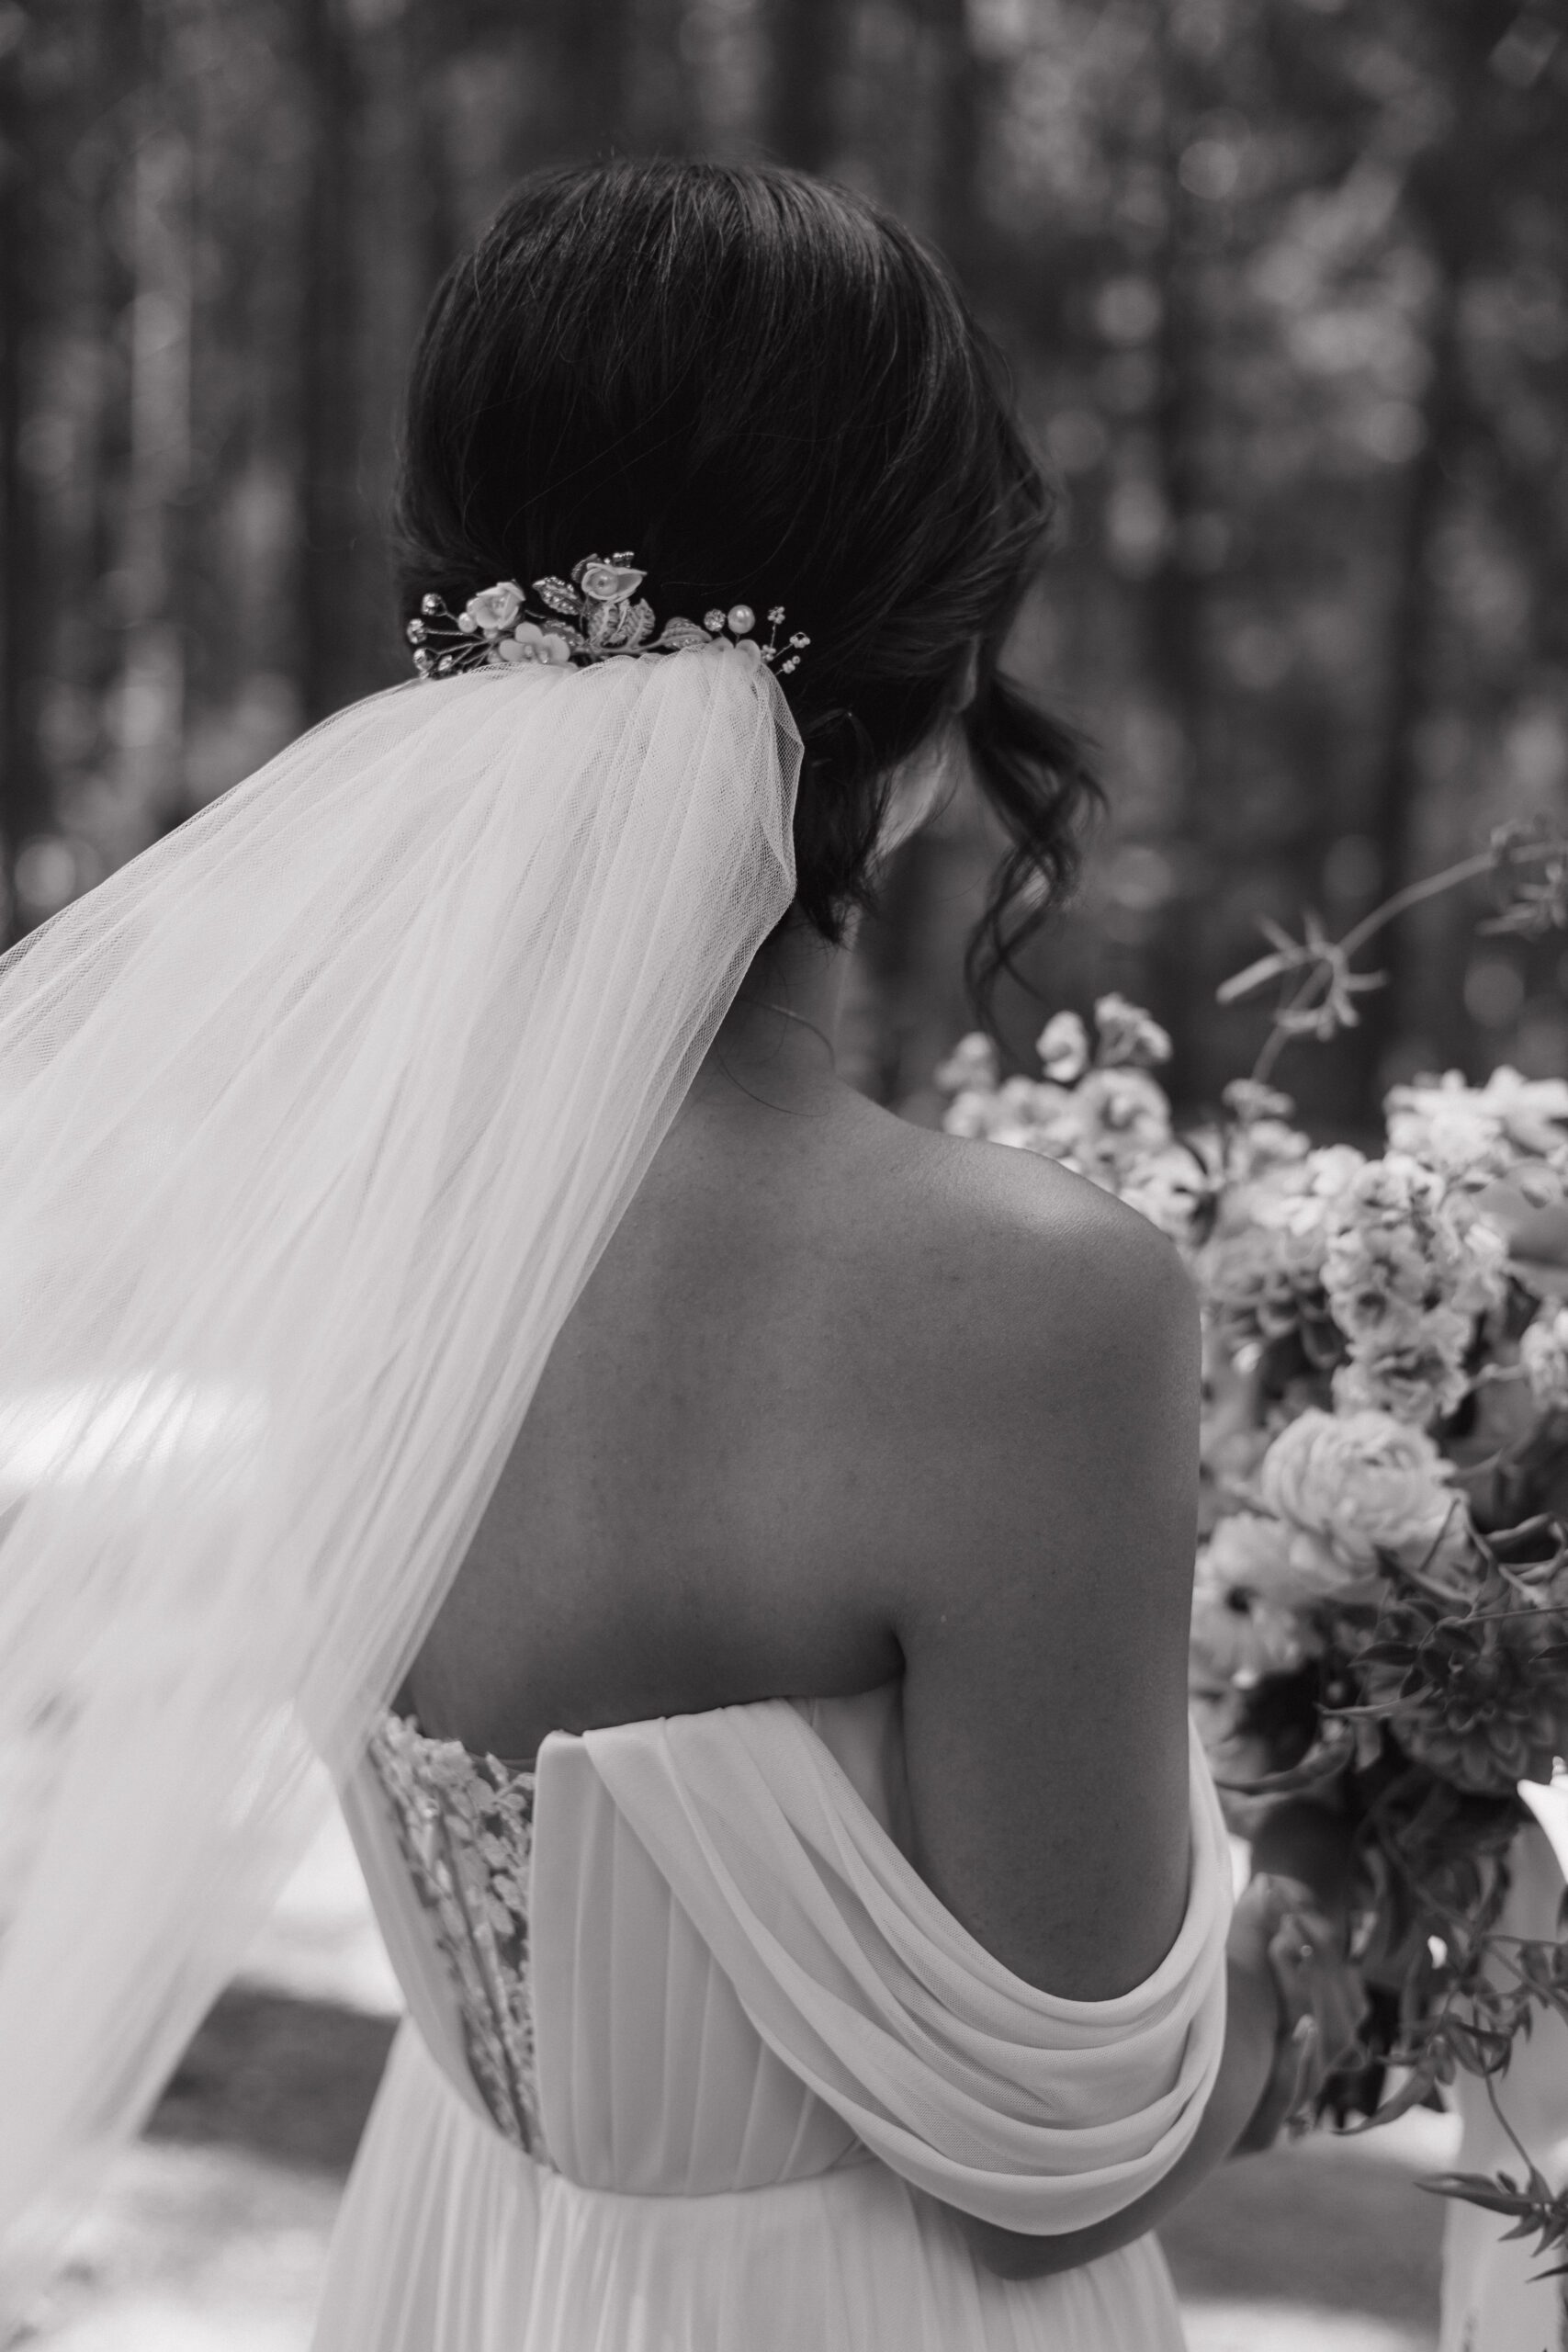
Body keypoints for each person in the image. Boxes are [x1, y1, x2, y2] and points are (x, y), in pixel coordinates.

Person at [0, 160, 1362, 2349]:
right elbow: (1058, 2164)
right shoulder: (1023, 1305)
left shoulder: (342, 1218)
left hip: (455, 2259)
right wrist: (1363, 1878)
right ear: (920, 713)